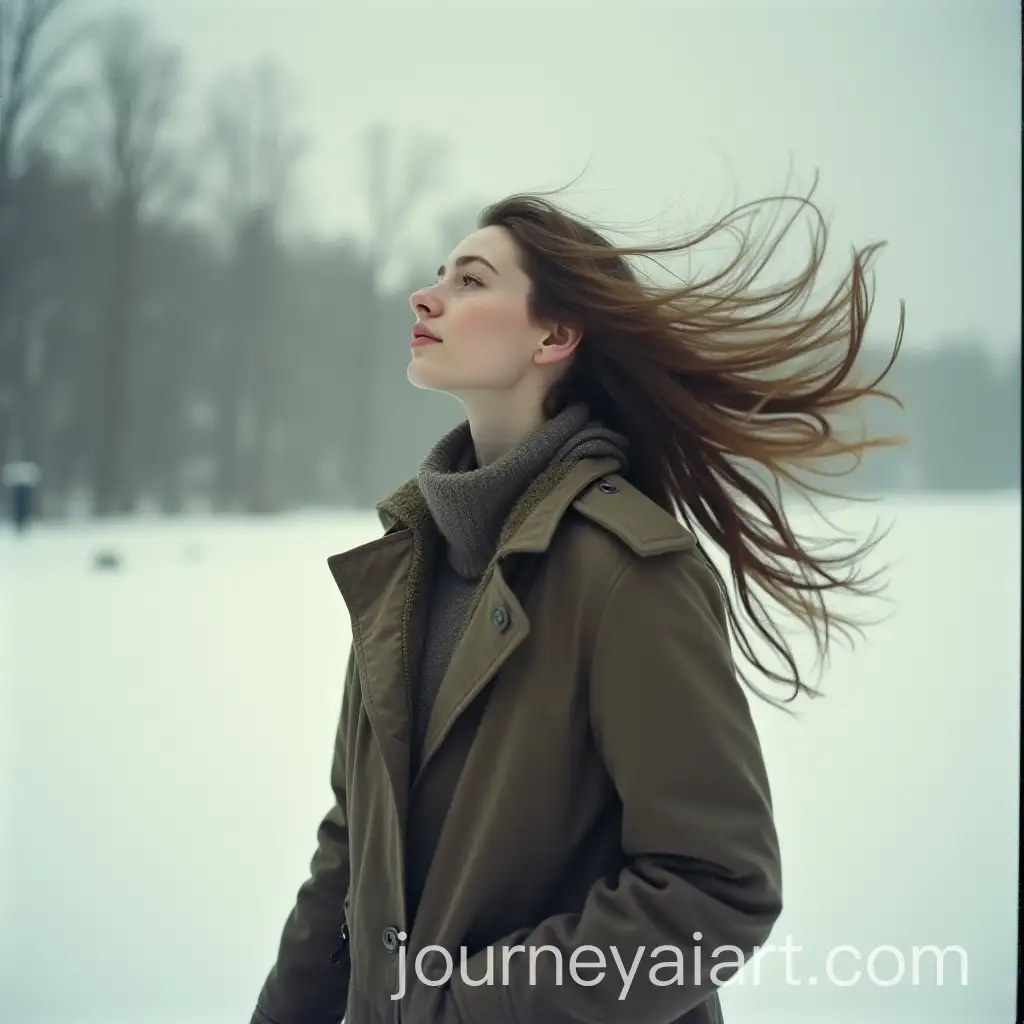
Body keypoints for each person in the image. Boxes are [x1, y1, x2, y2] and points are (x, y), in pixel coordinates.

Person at [249, 175, 903, 1024]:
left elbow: (716, 890)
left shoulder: (628, 571)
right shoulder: (404, 564)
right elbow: (351, 849)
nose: (427, 292)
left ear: (555, 334)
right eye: (440, 273)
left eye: (471, 280)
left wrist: (467, 1010)